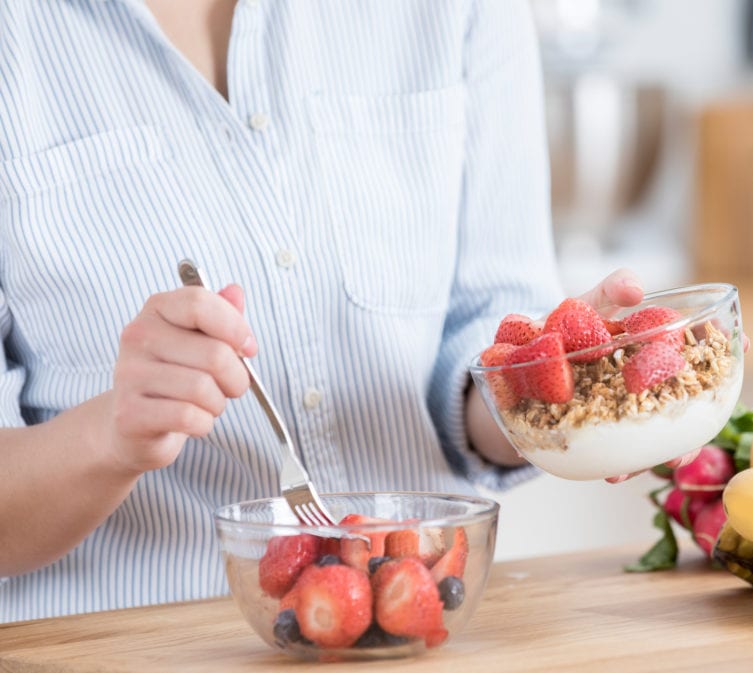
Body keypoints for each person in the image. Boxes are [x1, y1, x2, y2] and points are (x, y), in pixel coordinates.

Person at [0, 0, 678, 622]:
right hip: (116, 653)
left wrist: (547, 384)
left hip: (415, 639)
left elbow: (485, 323)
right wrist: (112, 437)